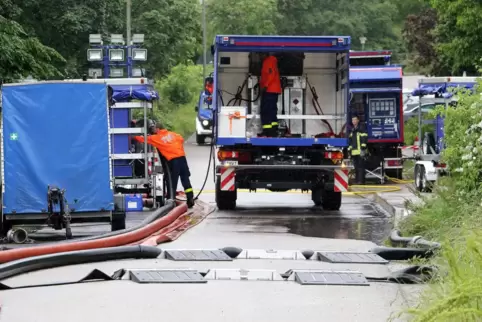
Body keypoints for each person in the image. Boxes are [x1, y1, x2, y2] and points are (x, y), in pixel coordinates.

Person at [133, 120, 195, 208]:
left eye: (154, 128)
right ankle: (190, 198)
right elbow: (181, 139)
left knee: (172, 181)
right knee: (185, 179)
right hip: (182, 159)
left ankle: (171, 200)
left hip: (174, 161)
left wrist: (132, 137)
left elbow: (143, 139)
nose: (153, 129)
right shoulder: (173, 134)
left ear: (158, 129)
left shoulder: (157, 138)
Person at [259, 52, 282, 137]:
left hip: (269, 89)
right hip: (273, 90)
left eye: (260, 54)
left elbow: (270, 74)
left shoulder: (268, 61)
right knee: (271, 110)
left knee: (266, 110)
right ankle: (273, 130)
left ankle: (268, 131)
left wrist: (265, 86)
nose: (259, 56)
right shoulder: (272, 60)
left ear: (265, 54)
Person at [347, 115, 368, 185]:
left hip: (360, 151)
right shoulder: (352, 130)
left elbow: (364, 138)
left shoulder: (361, 128)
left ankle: (361, 181)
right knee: (356, 167)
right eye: (353, 120)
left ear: (358, 120)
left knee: (361, 167)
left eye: (355, 120)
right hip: (354, 152)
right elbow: (350, 141)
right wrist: (349, 149)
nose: (354, 121)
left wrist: (363, 148)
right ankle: (357, 180)